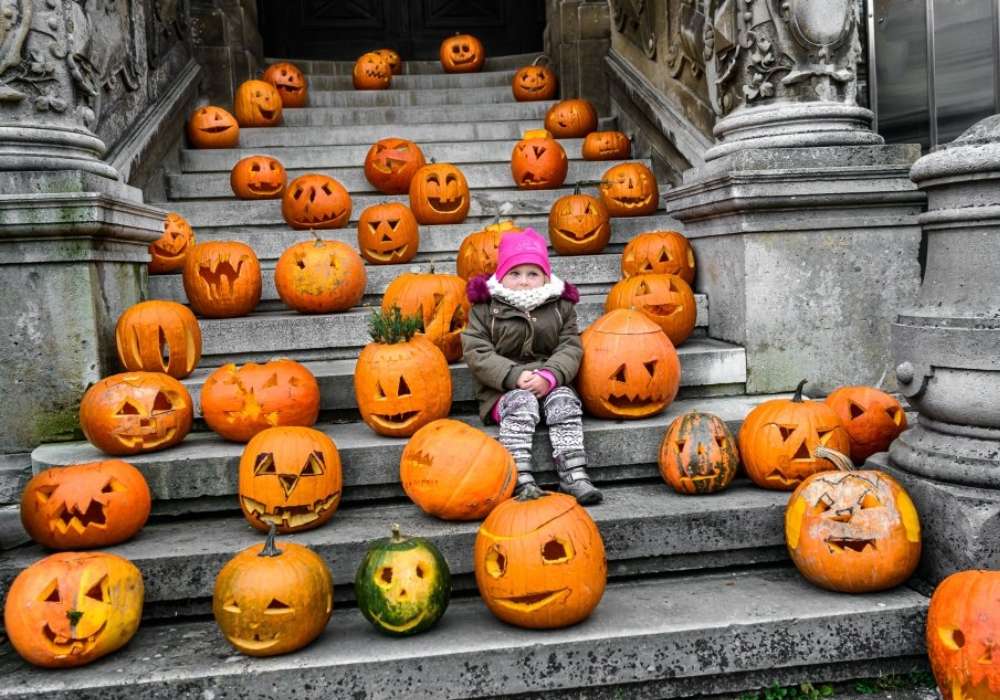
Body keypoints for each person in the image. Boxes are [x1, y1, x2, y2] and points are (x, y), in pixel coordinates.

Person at [461, 228, 602, 505]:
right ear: (501, 275)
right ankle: (518, 473)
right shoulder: (485, 309)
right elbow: (476, 351)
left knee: (565, 401)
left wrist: (550, 376)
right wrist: (513, 376)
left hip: (550, 382)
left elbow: (570, 346)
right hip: (501, 390)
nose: (524, 282)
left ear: (546, 276)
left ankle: (573, 471)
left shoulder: (561, 306)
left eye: (532, 274)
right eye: (515, 274)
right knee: (521, 402)